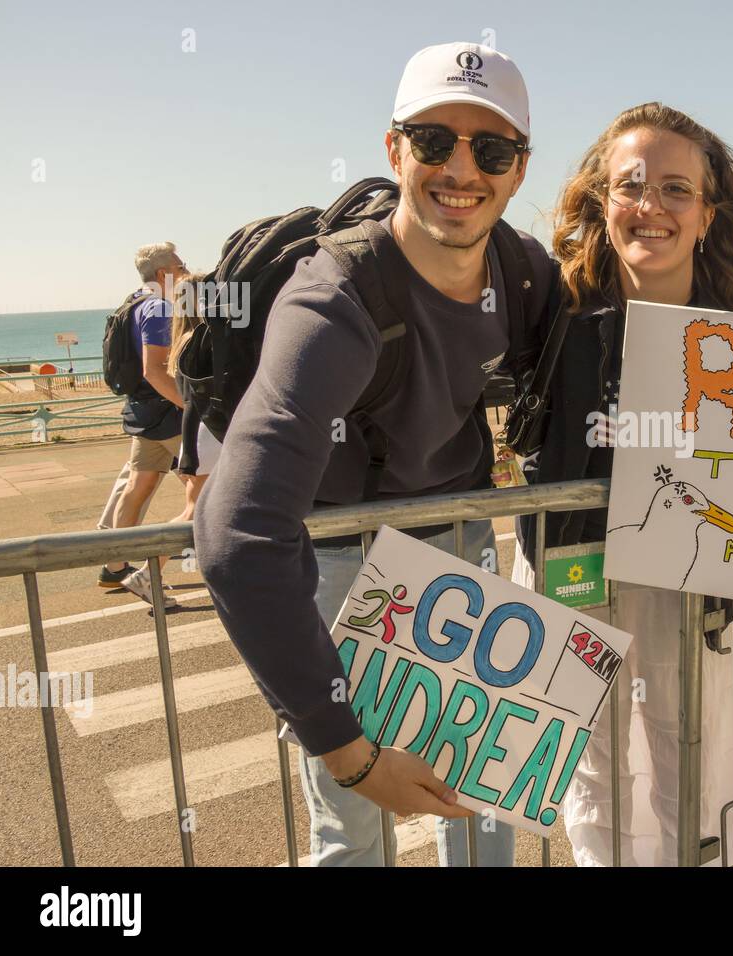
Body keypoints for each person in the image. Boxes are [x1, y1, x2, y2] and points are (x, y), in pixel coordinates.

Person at [194, 42, 558, 867]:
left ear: (519, 169)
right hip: (338, 562)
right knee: (353, 828)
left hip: (460, 553)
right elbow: (237, 535)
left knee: (480, 812)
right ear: (393, 150)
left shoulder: (526, 273)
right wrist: (348, 750)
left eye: (491, 149)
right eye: (433, 140)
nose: (461, 169)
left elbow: (595, 370)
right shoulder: (334, 299)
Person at [513, 102, 733, 865]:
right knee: (590, 761)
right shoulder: (554, 308)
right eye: (631, 185)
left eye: (675, 188)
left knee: (692, 748)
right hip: (572, 567)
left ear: (707, 211)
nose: (652, 206)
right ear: (603, 202)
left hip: (692, 582)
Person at [118, 274, 220, 600]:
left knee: (199, 510)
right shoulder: (207, 339)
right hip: (212, 435)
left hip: (197, 436)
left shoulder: (183, 341)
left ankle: (147, 573)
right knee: (195, 513)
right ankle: (147, 574)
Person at [97, 243, 187, 603]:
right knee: (203, 493)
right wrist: (190, 407)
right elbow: (155, 370)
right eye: (181, 266)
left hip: (142, 414)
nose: (186, 272)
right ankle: (148, 574)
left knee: (138, 487)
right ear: (164, 274)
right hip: (170, 417)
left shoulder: (133, 302)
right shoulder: (159, 308)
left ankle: (115, 566)